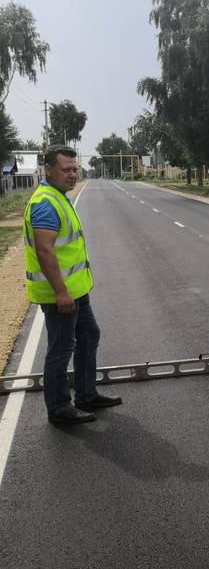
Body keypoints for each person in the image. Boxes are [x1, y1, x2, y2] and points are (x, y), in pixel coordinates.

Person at [23, 145, 122, 425]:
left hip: (76, 290)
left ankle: (87, 394)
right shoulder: (45, 203)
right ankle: (58, 408)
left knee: (89, 336)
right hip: (60, 295)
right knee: (61, 348)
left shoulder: (59, 196)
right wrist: (61, 292)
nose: (72, 175)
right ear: (48, 170)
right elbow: (45, 250)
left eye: (74, 169)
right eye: (65, 170)